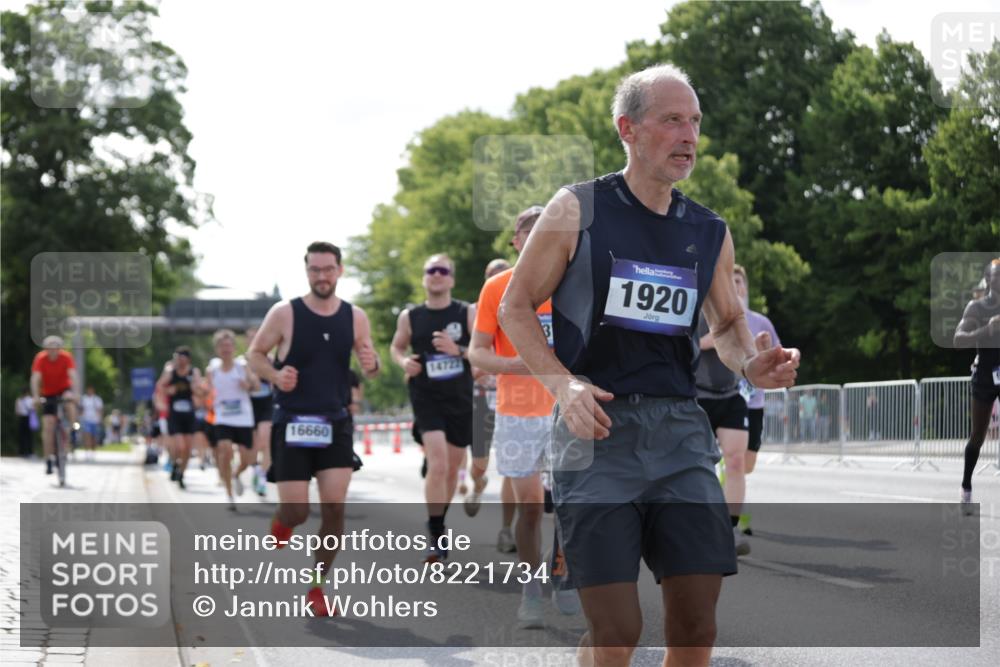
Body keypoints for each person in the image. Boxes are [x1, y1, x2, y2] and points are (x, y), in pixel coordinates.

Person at [499, 64, 800, 667]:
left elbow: (727, 325)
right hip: (596, 434)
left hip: (679, 435)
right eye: (672, 120)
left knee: (696, 626)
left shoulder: (708, 229)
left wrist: (752, 365)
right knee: (616, 632)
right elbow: (516, 306)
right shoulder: (576, 209)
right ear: (628, 129)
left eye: (695, 122)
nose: (689, 135)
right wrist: (564, 385)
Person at [248, 241, 379, 616]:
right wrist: (275, 375)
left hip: (335, 422)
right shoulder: (284, 313)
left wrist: (372, 363)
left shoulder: (355, 317)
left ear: (340, 270)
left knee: (334, 508)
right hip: (292, 422)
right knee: (298, 512)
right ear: (307, 271)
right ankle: (283, 521)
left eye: (328, 269)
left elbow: (371, 367)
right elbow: (254, 355)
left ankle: (317, 587)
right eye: (315, 269)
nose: (322, 276)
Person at [471, 205, 581, 627]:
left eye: (545, 231)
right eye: (528, 232)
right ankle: (531, 590)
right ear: (516, 242)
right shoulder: (497, 287)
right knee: (531, 508)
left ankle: (564, 574)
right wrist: (513, 364)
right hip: (516, 413)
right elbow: (477, 352)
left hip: (565, 408)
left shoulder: (574, 284)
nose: (537, 238)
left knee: (570, 505)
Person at [390, 253, 475, 563]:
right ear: (424, 277)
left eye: (443, 270)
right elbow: (397, 347)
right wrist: (404, 362)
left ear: (451, 279)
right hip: (426, 396)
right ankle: (436, 534)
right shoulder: (410, 316)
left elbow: (483, 349)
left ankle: (439, 518)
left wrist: (458, 350)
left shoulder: (467, 312)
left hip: (460, 398)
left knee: (451, 469)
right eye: (431, 270)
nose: (437, 275)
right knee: (438, 464)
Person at [694, 306, 751, 556]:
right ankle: (697, 527)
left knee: (736, 462)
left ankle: (730, 529)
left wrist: (757, 351)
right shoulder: (688, 297)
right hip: (696, 395)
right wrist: (704, 342)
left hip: (730, 394)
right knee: (698, 467)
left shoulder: (730, 306)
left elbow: (745, 348)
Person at [732, 265, 782, 536]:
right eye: (730, 281)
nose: (736, 286)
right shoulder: (721, 321)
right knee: (735, 461)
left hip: (754, 401)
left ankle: (729, 479)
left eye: (739, 281)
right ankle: (737, 515)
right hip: (729, 399)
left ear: (746, 287)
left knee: (747, 464)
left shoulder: (761, 322)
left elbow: (777, 353)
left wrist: (772, 356)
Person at [953, 258, 1000, 515]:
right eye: (997, 275)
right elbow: (958, 339)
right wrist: (987, 330)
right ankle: (966, 486)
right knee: (978, 436)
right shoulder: (978, 307)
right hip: (985, 376)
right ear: (988, 279)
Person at [205, 329, 259, 510]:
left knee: (247, 459)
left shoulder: (242, 366)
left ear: (234, 348)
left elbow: (257, 386)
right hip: (222, 416)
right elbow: (206, 390)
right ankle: (229, 495)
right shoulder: (212, 369)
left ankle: (236, 474)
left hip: (243, 418)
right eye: (222, 346)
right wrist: (203, 392)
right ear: (217, 349)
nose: (226, 349)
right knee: (225, 450)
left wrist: (248, 385)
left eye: (229, 346)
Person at [155, 347, 202, 489]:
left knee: (188, 448)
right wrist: (167, 392)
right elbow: (159, 386)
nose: (179, 361)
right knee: (179, 446)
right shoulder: (171, 372)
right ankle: (175, 463)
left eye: (182, 358)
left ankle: (181, 473)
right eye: (177, 358)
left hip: (189, 414)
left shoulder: (194, 372)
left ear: (188, 359)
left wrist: (196, 389)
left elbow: (200, 390)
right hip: (175, 415)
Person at [30, 336, 78, 475]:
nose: (53, 351)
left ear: (60, 348)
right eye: (50, 348)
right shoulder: (40, 358)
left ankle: (73, 429)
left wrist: (76, 393)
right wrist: (35, 396)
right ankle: (48, 459)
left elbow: (73, 375)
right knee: (48, 427)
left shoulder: (66, 357)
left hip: (64, 390)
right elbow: (35, 378)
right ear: (46, 349)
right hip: (48, 393)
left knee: (69, 402)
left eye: (56, 348)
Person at [246, 326, 274, 497]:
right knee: (253, 445)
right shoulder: (241, 363)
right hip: (247, 406)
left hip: (267, 404)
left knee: (266, 438)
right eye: (251, 337)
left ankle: (263, 476)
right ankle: (255, 468)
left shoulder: (270, 360)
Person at [80, 386, 104, 457]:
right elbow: (82, 409)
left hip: (95, 420)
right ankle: (87, 451)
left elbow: (100, 410)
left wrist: (100, 419)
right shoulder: (84, 399)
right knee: (87, 436)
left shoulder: (97, 399)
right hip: (86, 420)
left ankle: (93, 451)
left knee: (94, 437)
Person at [16, 389, 35, 458]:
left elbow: (17, 412)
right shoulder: (30, 399)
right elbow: (33, 409)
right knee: (29, 436)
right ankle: (30, 452)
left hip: (21, 418)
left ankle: (21, 452)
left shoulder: (19, 400)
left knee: (21, 436)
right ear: (27, 392)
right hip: (28, 418)